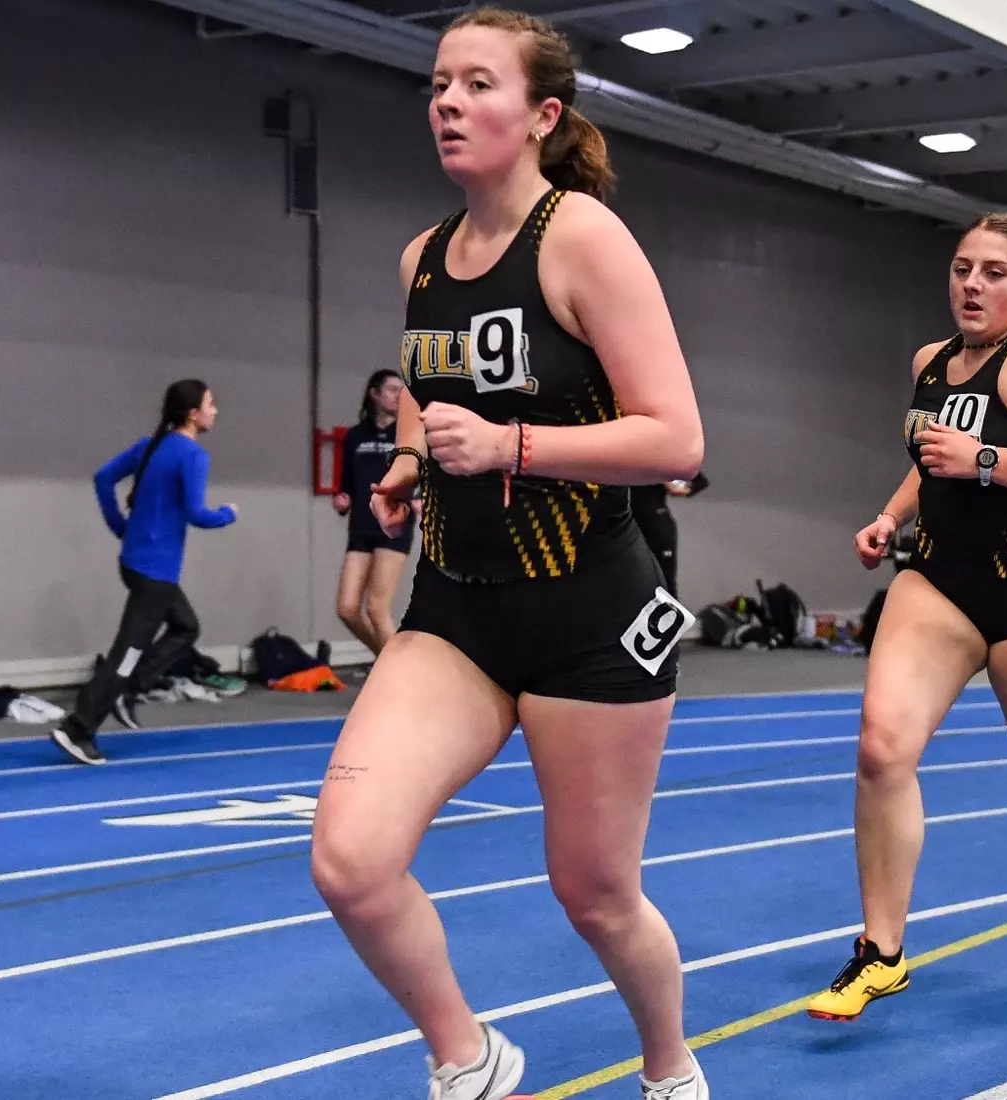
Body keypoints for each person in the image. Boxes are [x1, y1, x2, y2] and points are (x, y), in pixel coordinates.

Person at [305, 10, 709, 1100]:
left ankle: (671, 1070)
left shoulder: (581, 238)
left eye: (476, 83)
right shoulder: (422, 259)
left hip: (591, 614)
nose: (445, 101)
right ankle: (469, 1056)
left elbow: (676, 439)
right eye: (438, 82)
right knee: (348, 856)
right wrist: (407, 462)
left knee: (595, 894)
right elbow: (433, 404)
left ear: (542, 115)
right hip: (459, 611)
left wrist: (510, 444)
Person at [806, 211, 1007, 1023]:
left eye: (993, 272)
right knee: (882, 749)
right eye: (962, 268)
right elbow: (933, 461)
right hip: (944, 580)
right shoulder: (930, 362)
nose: (971, 285)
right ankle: (881, 952)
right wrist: (891, 516)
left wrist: (988, 461)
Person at [50, 380, 237, 765]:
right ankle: (78, 727)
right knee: (127, 652)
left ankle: (129, 689)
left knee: (185, 626)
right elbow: (197, 514)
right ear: (192, 413)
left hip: (135, 562)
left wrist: (120, 525)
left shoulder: (151, 446)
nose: (215, 411)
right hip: (155, 572)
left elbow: (103, 478)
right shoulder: (192, 455)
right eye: (211, 404)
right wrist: (228, 514)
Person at [333, 369, 416, 662]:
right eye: (392, 389)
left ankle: (399, 673)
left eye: (401, 390)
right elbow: (346, 484)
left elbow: (418, 475)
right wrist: (342, 500)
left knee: (377, 608)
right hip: (361, 526)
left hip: (394, 525)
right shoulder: (356, 436)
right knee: (347, 607)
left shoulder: (406, 435)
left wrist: (417, 500)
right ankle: (387, 663)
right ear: (374, 393)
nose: (398, 396)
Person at [631, 472, 709, 595]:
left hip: (656, 525)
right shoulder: (622, 459)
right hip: (628, 525)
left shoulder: (658, 460)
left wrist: (680, 488)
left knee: (665, 578)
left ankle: (671, 612)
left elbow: (700, 481)